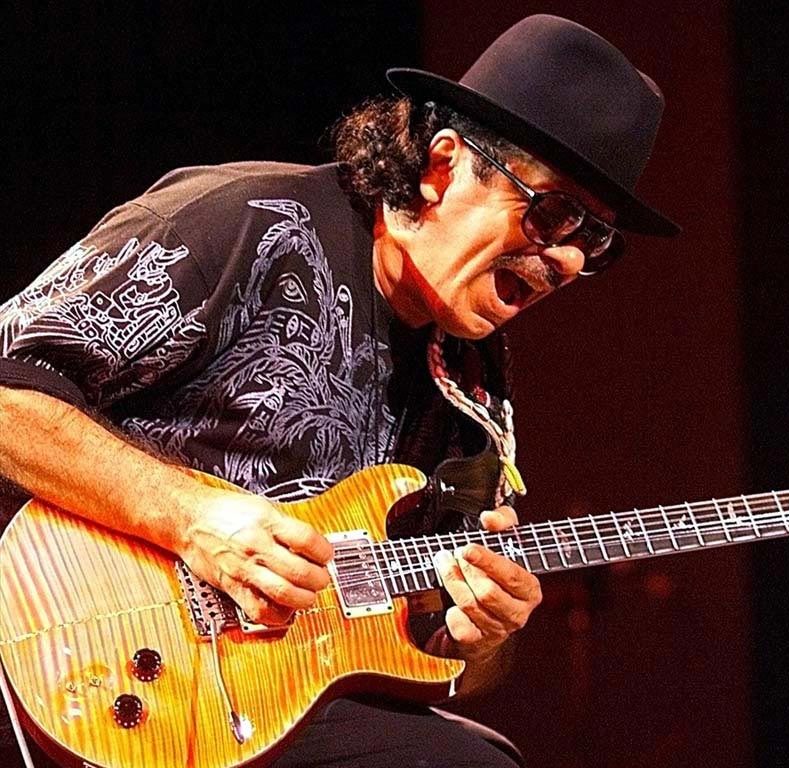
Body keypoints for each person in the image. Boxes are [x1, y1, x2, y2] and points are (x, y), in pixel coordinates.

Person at [0, 14, 679, 768]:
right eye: (554, 214)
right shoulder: (249, 223)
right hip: (62, 645)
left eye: (594, 241)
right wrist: (191, 517)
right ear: (443, 166)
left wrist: (479, 634)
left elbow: (438, 655)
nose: (567, 261)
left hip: (263, 709)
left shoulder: (473, 387)